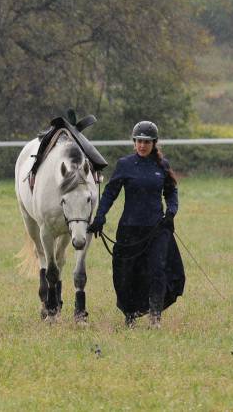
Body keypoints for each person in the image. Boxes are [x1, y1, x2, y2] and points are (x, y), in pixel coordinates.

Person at [87, 121, 185, 328]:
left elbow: (171, 191)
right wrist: (100, 217)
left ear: (154, 143)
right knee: (126, 273)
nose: (142, 145)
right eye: (139, 141)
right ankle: (130, 314)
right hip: (129, 229)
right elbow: (110, 193)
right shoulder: (125, 165)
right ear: (134, 142)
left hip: (156, 228)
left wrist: (171, 212)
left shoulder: (162, 166)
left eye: (146, 142)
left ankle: (155, 315)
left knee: (158, 270)